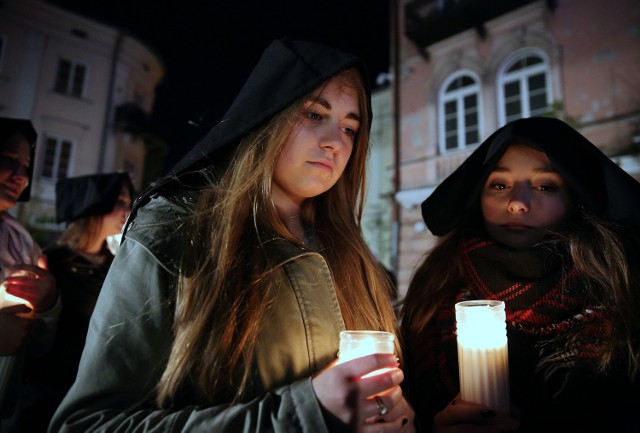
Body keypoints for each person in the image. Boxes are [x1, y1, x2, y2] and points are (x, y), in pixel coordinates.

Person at [49, 38, 416, 433]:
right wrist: (304, 414)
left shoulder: (350, 251)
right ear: (267, 116)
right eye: (313, 114)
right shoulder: (176, 234)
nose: (336, 142)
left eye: (349, 127)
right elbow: (85, 424)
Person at [400, 116, 640, 433]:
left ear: (574, 198)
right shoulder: (437, 287)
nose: (516, 203)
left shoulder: (623, 287)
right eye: (499, 185)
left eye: (544, 186)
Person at [20, 172, 133, 432]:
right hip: (51, 392)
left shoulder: (116, 266)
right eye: (119, 200)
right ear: (96, 204)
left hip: (99, 390)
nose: (127, 209)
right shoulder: (53, 262)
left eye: (128, 201)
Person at [0, 117, 60, 432]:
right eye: (8, 160)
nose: (21, 175)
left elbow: (37, 346)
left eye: (26, 164)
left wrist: (48, 306)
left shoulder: (22, 240)